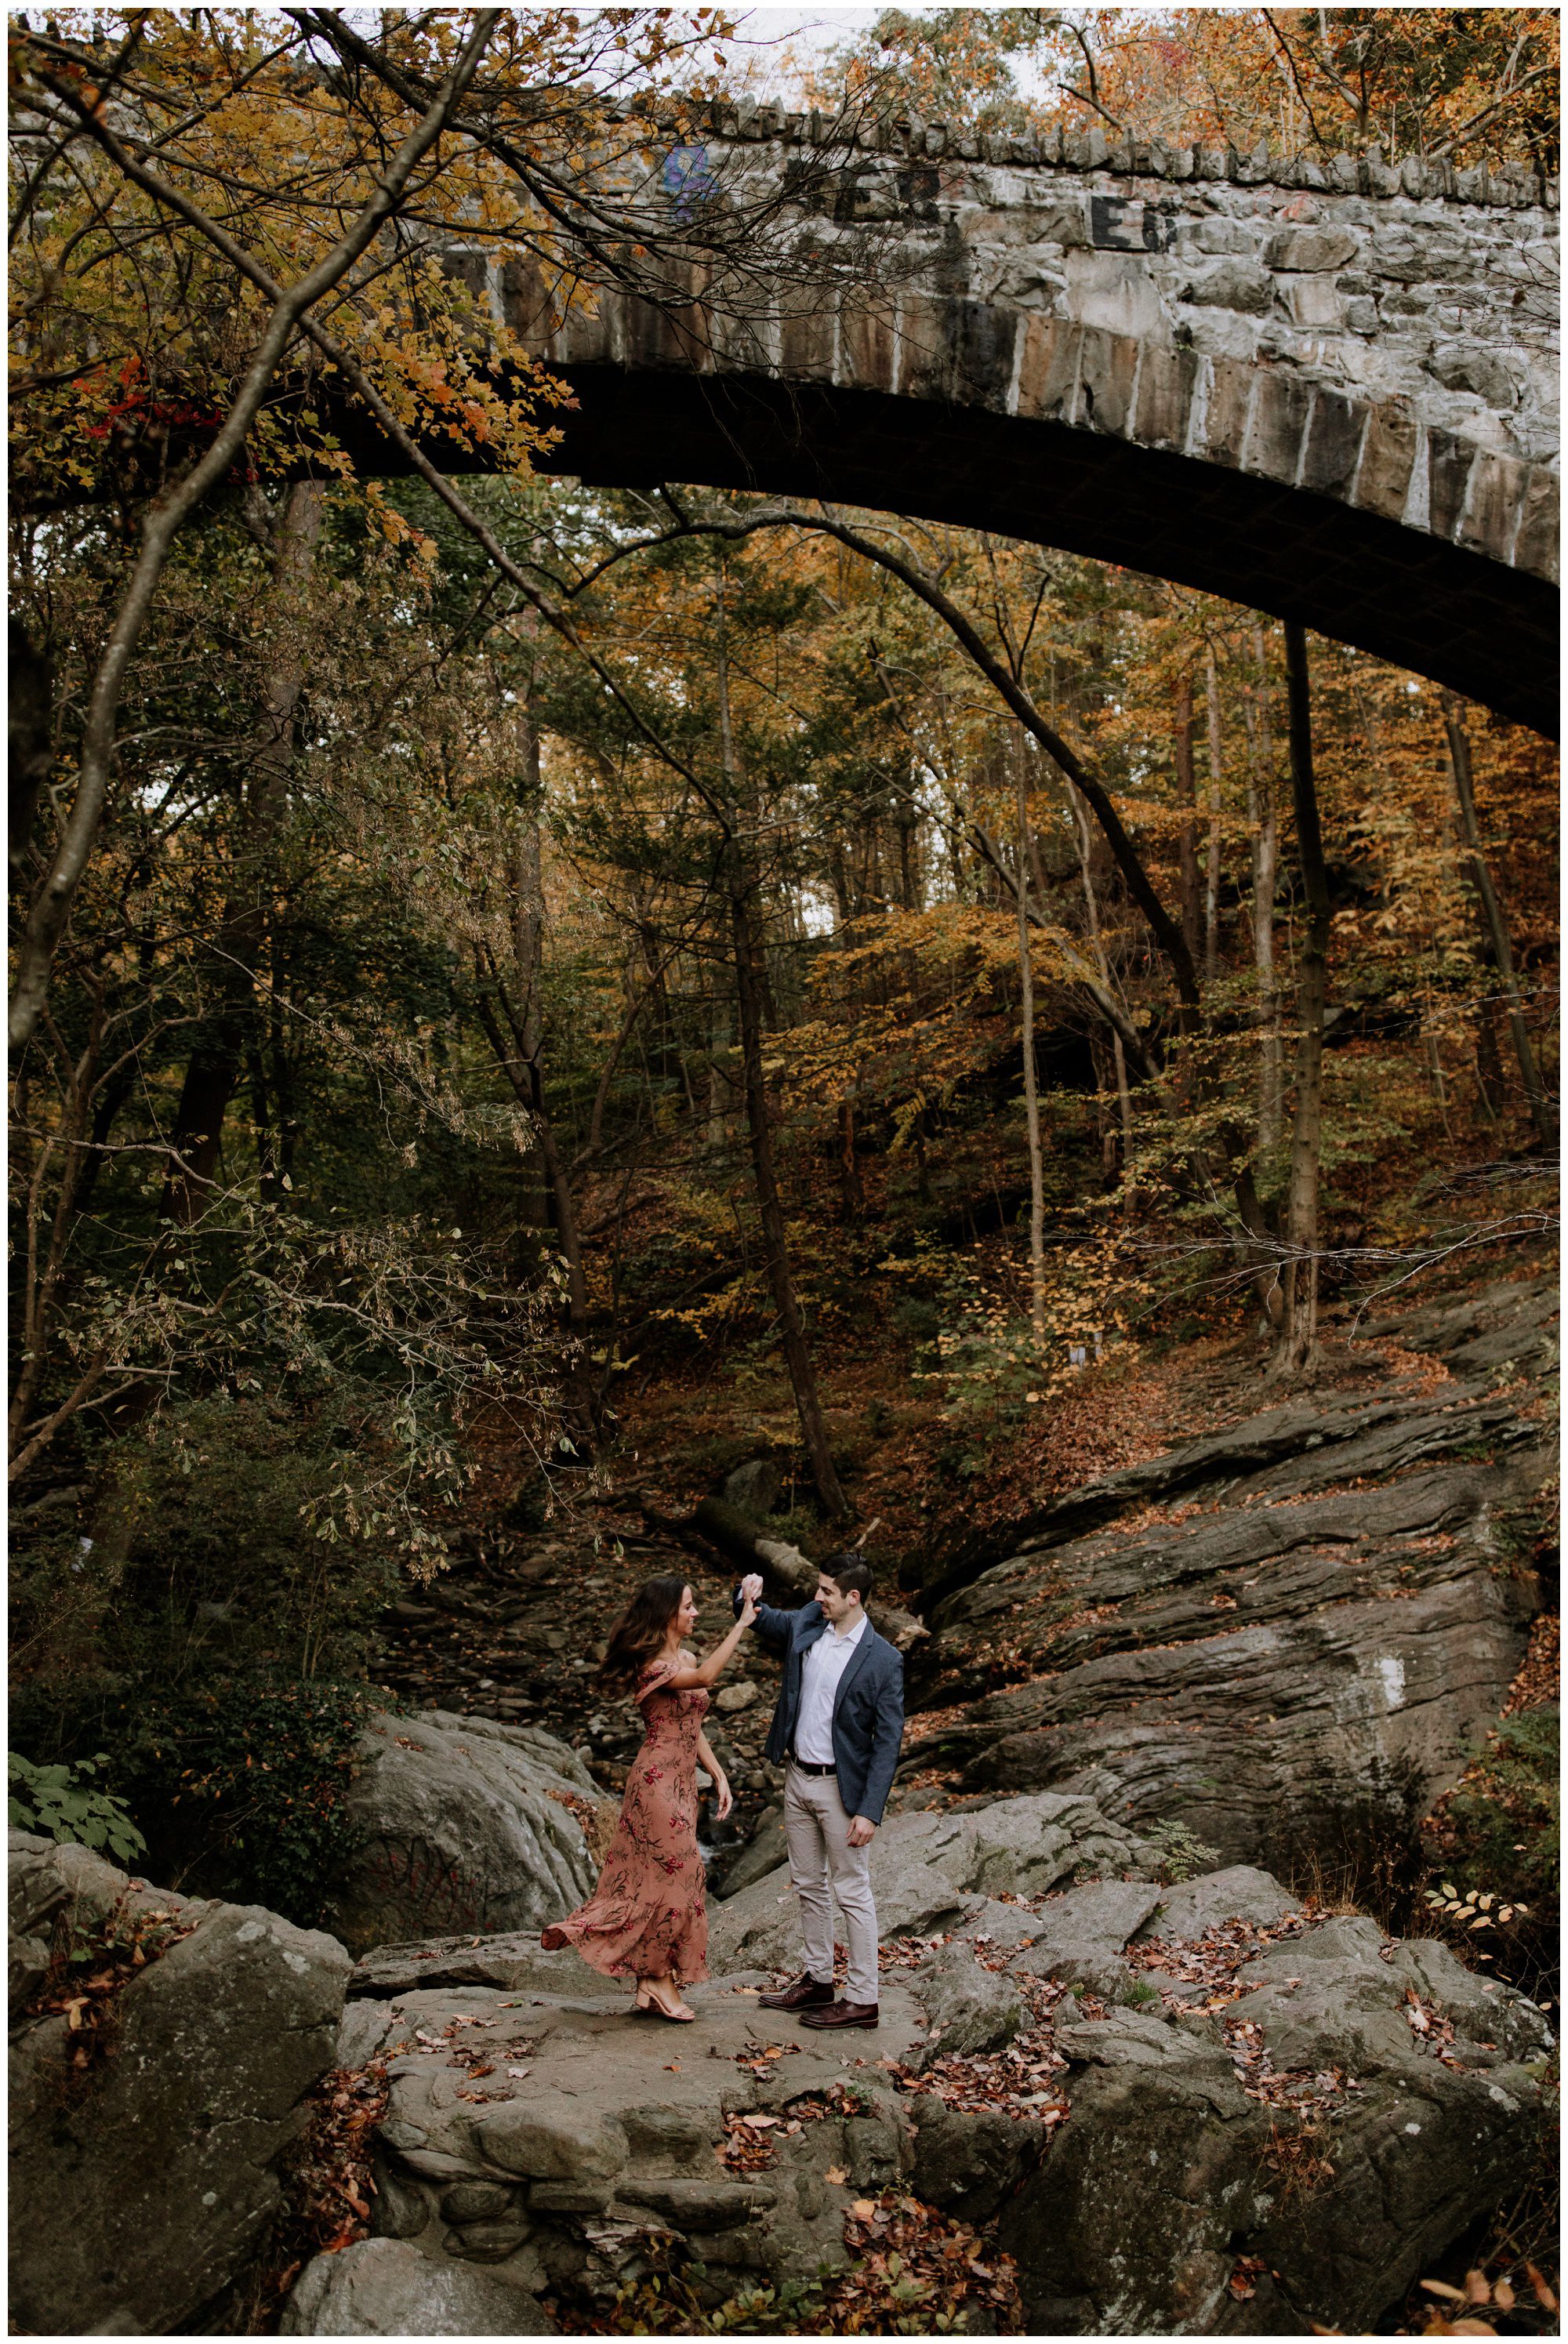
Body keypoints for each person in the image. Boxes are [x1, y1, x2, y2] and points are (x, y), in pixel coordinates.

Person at [541, 1574, 756, 2023]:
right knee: (682, 1875)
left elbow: (692, 1724)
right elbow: (707, 1677)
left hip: (682, 1783)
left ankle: (650, 1982)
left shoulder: (686, 1656)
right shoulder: (654, 1667)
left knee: (662, 1882)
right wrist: (741, 1625)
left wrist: (716, 1773)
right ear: (667, 1615)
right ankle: (657, 1980)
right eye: (689, 1607)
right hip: (654, 1784)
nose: (695, 1613)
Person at [735, 1556, 904, 2031]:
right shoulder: (810, 1622)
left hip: (840, 1790)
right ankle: (817, 1980)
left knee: (851, 1891)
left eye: (827, 1591)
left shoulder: (884, 1659)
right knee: (808, 1885)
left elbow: (888, 1741)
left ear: (854, 1597)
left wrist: (870, 1810)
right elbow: (761, 1619)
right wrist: (745, 1593)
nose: (817, 1597)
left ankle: (864, 1999)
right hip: (797, 1778)